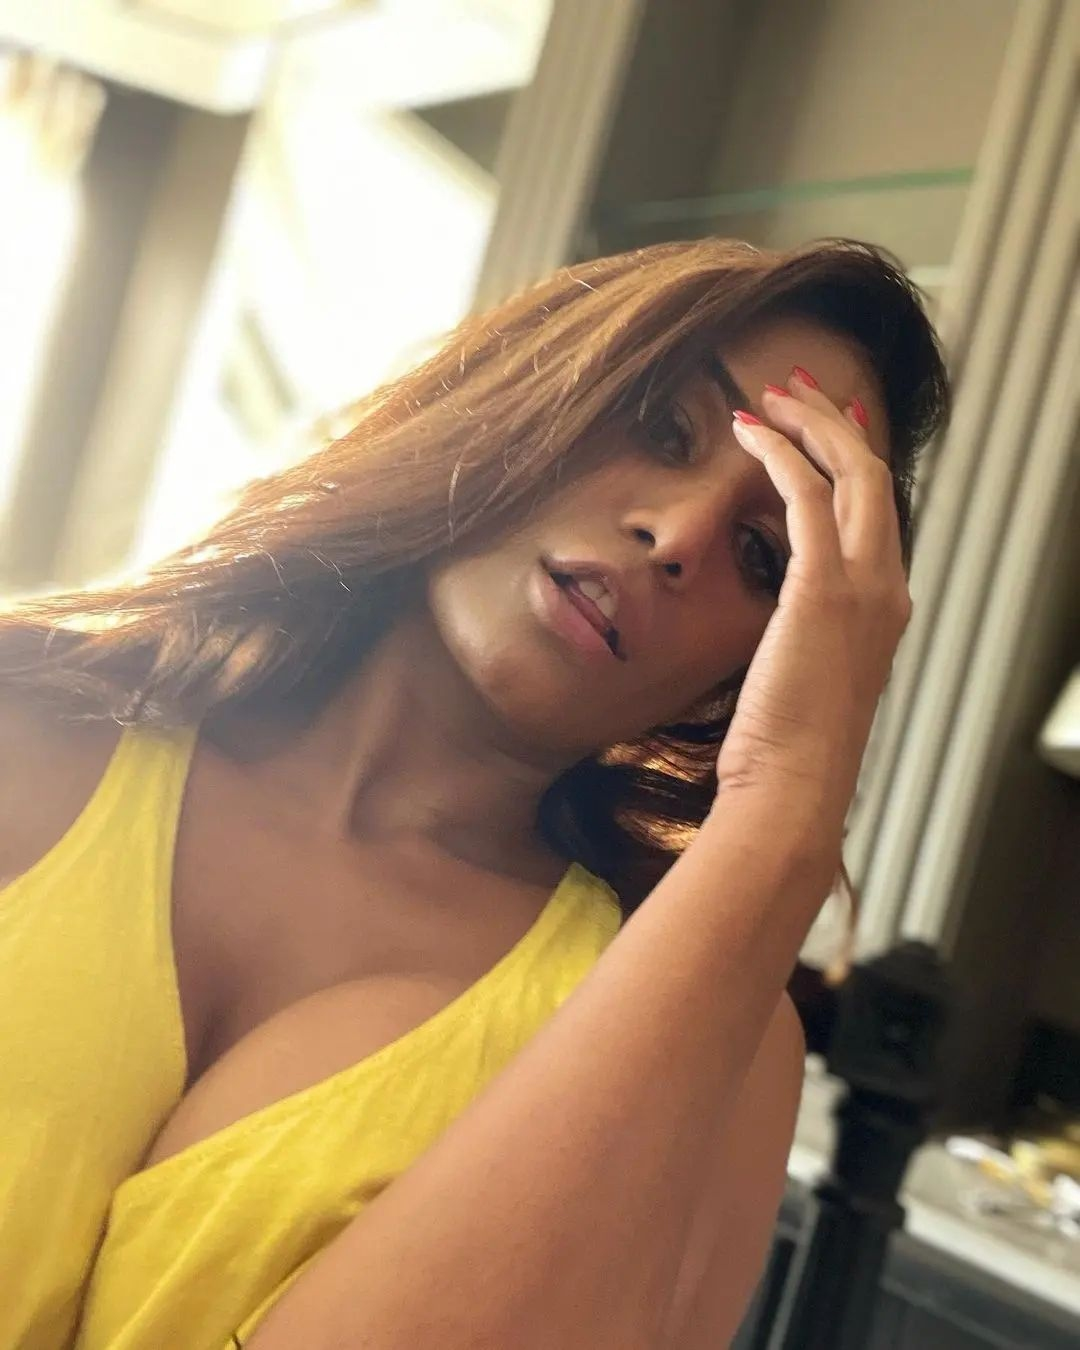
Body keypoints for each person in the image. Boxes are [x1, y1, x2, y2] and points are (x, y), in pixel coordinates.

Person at [0, 236, 949, 1349]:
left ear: (760, 654)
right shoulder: (24, 720)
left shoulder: (725, 1056)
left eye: (762, 554)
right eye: (663, 426)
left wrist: (783, 815)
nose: (677, 534)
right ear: (529, 390)